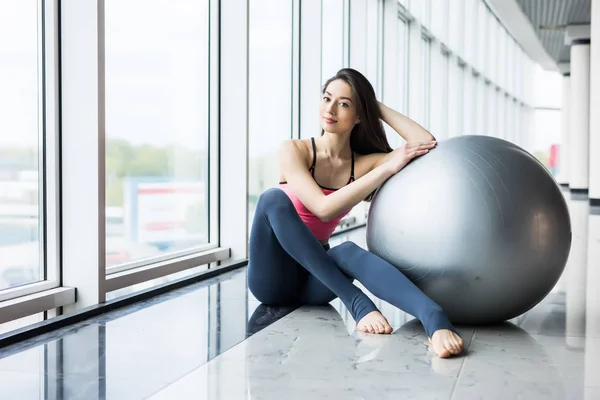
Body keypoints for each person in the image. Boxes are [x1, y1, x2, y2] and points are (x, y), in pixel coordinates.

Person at [247, 68, 464, 358]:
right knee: (272, 199)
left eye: (345, 103)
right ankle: (358, 303)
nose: (331, 109)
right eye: (327, 98)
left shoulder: (363, 164)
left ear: (360, 115)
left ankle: (435, 321)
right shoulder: (294, 150)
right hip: (272, 279)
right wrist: (387, 168)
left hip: (316, 284)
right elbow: (323, 210)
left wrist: (373, 104)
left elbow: (426, 142)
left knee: (347, 250)